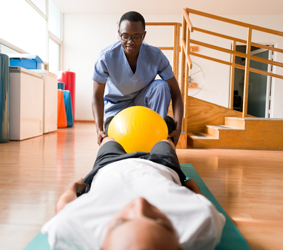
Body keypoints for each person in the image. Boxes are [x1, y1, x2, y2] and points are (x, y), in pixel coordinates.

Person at [41, 137, 225, 250]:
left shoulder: (75, 228)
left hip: (110, 165)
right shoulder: (201, 223)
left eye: (121, 221)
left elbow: (63, 208)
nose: (140, 203)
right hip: (161, 164)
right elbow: (199, 198)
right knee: (165, 141)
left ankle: (108, 129)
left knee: (108, 139)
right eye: (160, 222)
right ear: (179, 244)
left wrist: (73, 187)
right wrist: (193, 187)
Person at [92, 11, 184, 146]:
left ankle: (156, 133)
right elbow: (97, 96)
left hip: (144, 106)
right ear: (119, 34)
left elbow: (176, 94)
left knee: (162, 86)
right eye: (125, 36)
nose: (130, 42)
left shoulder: (156, 56)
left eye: (136, 37)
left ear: (144, 35)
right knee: (113, 135)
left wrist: (178, 129)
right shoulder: (106, 57)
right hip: (118, 110)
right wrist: (99, 129)